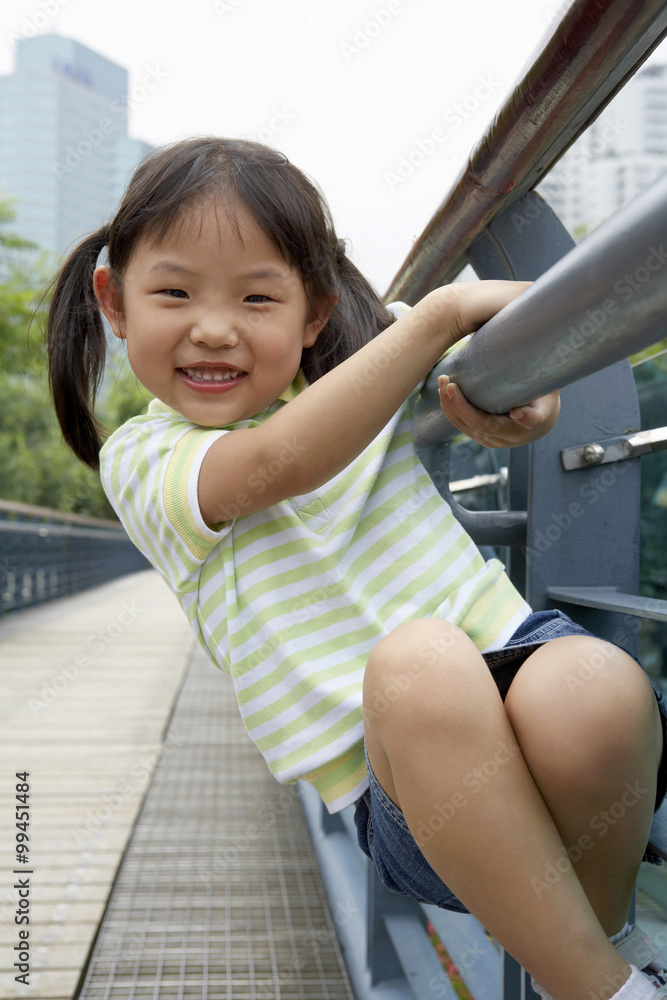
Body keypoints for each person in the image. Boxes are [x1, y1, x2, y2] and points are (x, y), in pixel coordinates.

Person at [47, 137, 667, 1000]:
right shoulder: (143, 459)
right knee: (418, 660)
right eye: (174, 292)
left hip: (532, 694)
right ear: (114, 302)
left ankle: (595, 952)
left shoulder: (371, 371)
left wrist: (525, 396)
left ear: (313, 313)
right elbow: (278, 462)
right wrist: (436, 318)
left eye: (259, 297)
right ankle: (604, 988)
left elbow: (489, 372)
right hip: (413, 794)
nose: (215, 328)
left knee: (595, 679)